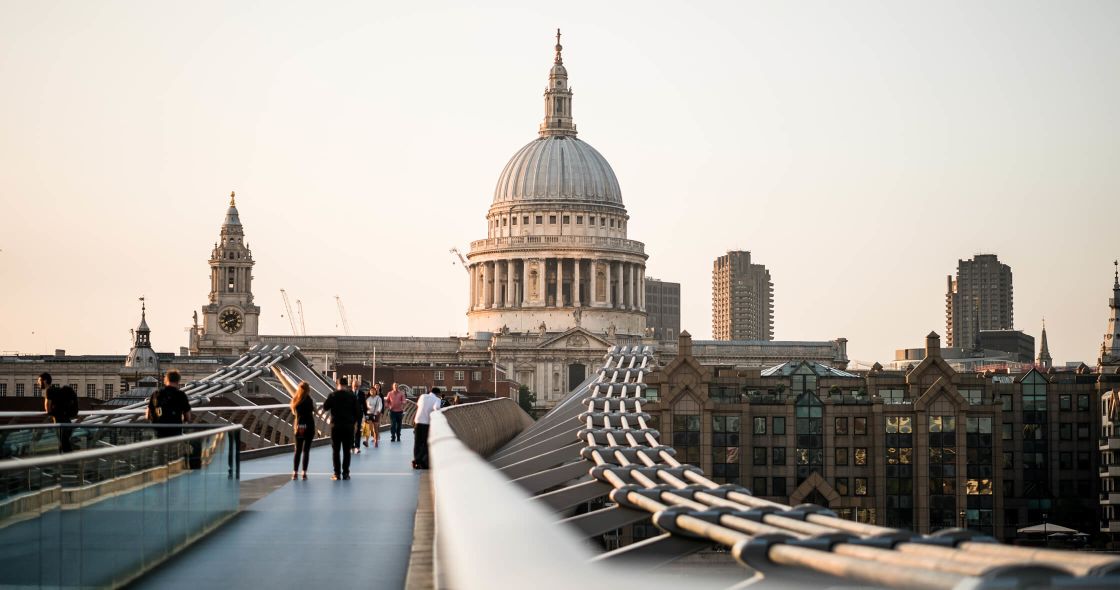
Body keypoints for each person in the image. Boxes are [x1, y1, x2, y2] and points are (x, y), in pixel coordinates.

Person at [322, 376, 357, 480]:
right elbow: (357, 412)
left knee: (336, 451)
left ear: (337, 385)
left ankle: (337, 474)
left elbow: (325, 407)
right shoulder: (352, 396)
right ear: (347, 385)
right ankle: (346, 473)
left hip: (336, 426)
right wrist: (354, 424)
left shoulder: (333, 395)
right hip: (348, 426)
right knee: (347, 451)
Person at [146, 369, 191, 438]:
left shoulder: (156, 394)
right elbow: (187, 417)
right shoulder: (181, 395)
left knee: (158, 448)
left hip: (159, 431)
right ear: (178, 381)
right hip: (175, 431)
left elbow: (148, 415)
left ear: (166, 379)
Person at [40, 372, 77, 453]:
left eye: (40, 381)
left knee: (66, 449)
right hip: (67, 422)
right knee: (65, 447)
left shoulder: (49, 391)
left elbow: (48, 409)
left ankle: (72, 464)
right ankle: (69, 463)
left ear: (45, 381)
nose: (39, 383)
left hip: (61, 424)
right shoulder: (56, 390)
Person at [412, 386, 442, 470]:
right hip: (427, 423)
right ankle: (423, 462)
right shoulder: (437, 399)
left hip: (417, 421)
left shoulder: (422, 396)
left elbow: (418, 405)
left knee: (417, 442)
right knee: (425, 443)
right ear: (438, 394)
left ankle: (416, 461)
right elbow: (436, 408)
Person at [290, 381, 315, 480]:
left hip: (300, 427)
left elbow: (294, 412)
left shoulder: (296, 400)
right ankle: (304, 472)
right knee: (306, 450)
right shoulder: (311, 400)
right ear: (308, 390)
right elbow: (315, 410)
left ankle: (295, 472)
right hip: (309, 426)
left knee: (298, 450)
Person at [364, 384, 384, 448]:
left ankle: (376, 441)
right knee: (368, 428)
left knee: (375, 428)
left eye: (373, 391)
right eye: (371, 391)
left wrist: (378, 410)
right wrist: (366, 409)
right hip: (369, 414)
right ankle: (366, 441)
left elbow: (380, 405)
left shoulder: (378, 398)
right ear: (369, 392)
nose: (372, 392)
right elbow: (365, 406)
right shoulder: (368, 398)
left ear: (375, 391)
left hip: (376, 414)